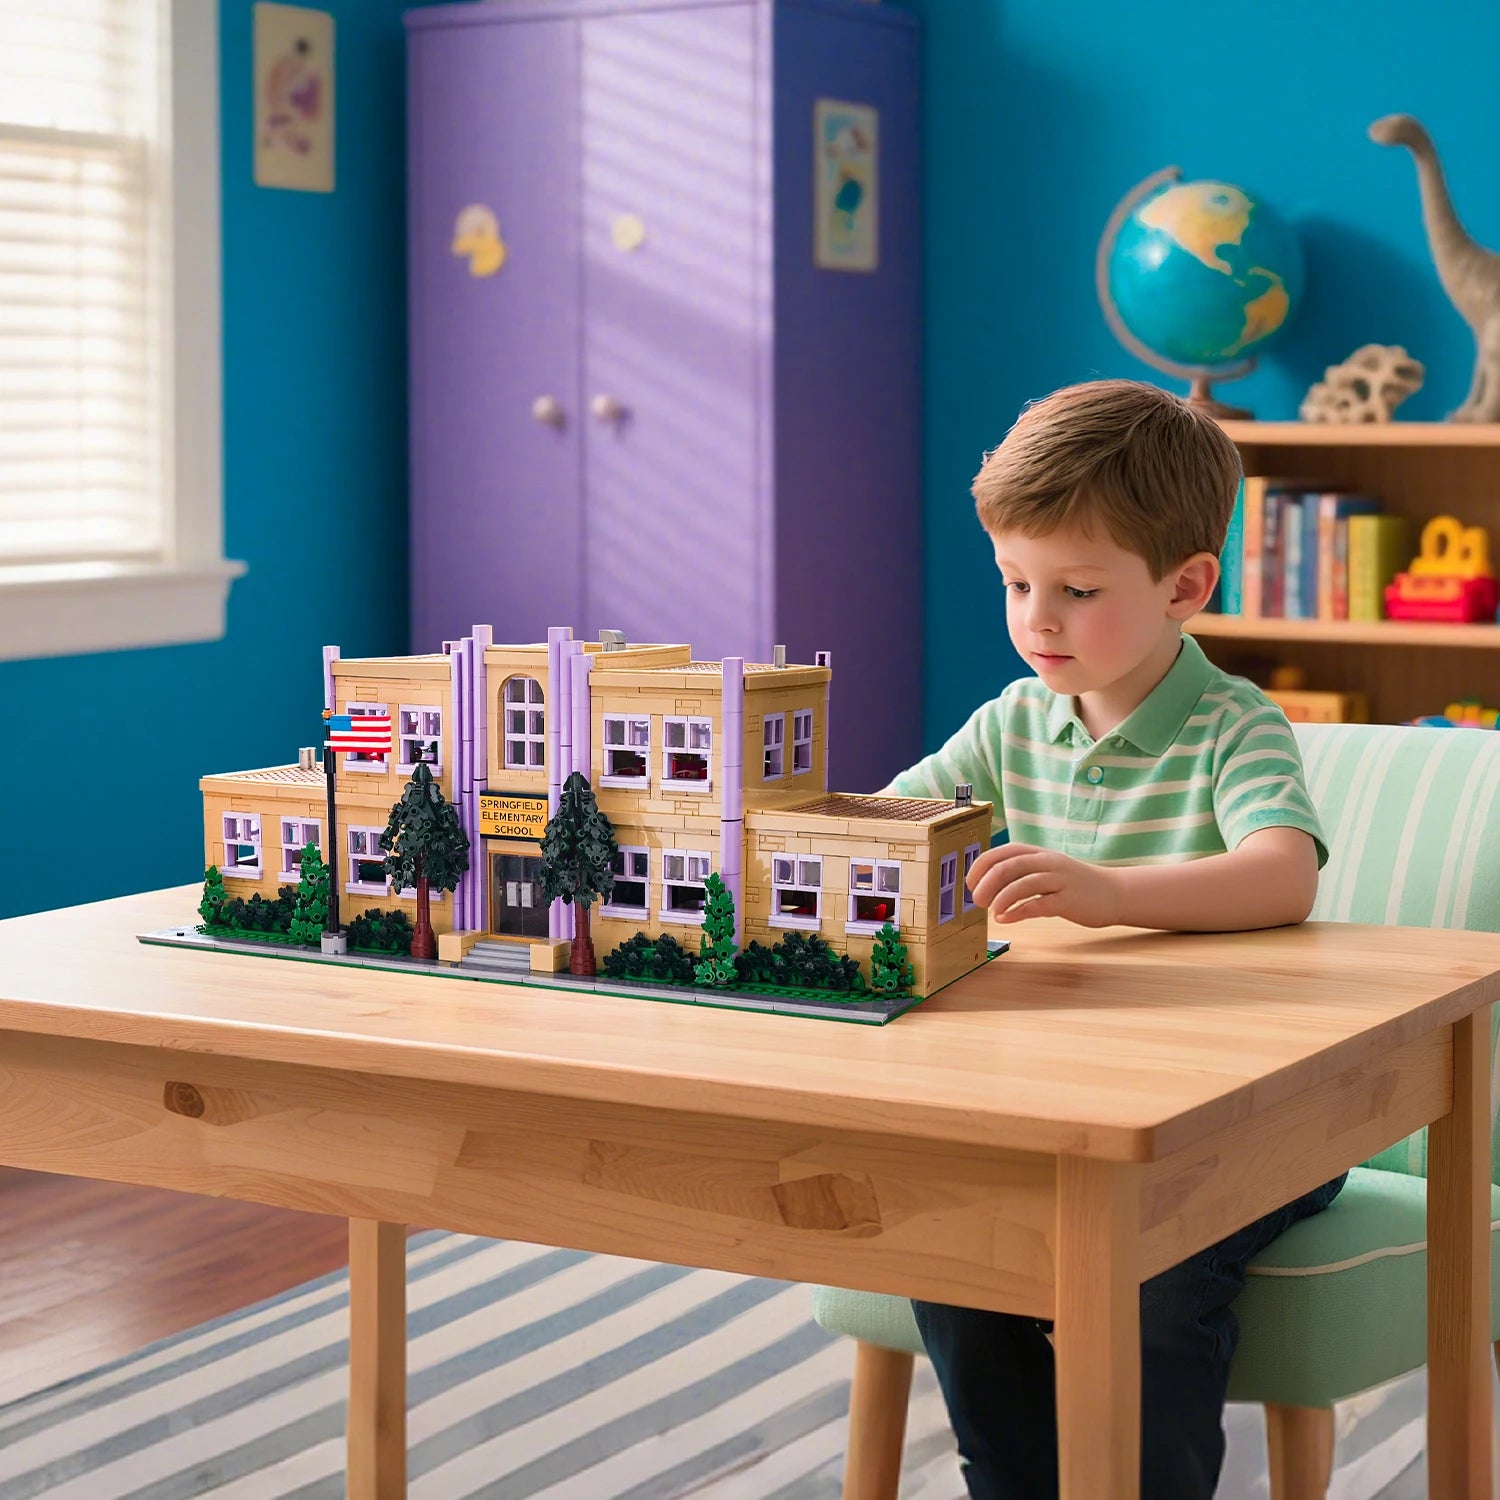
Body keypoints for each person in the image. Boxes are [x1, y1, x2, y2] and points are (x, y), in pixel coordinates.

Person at [883, 378, 1345, 1500]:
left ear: (1186, 586)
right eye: (1015, 582)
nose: (1037, 617)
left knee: (1157, 1280)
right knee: (959, 1256)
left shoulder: (1237, 723)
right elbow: (893, 819)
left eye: (1077, 590)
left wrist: (1107, 889)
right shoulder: (1010, 721)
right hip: (1063, 1118)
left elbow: (1283, 875)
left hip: (1247, 1120)